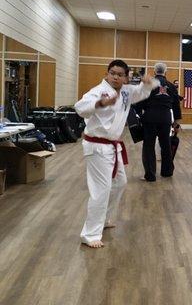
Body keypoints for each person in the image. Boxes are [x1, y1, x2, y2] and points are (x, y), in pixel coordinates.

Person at [75, 59, 159, 248]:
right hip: (96, 147)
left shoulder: (127, 92)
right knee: (101, 189)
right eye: (112, 73)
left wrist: (149, 81)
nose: (115, 77)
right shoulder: (98, 91)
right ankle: (90, 234)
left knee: (120, 182)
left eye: (120, 74)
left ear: (126, 77)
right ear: (107, 73)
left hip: (113, 146)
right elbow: (80, 108)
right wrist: (101, 103)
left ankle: (103, 219)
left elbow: (146, 90)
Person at [137, 63, 180, 181]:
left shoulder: (149, 84)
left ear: (154, 71)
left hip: (150, 117)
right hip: (166, 118)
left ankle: (150, 175)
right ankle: (167, 172)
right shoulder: (171, 86)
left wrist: (140, 116)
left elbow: (140, 101)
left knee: (149, 146)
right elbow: (176, 105)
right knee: (165, 145)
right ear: (165, 72)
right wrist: (176, 122)